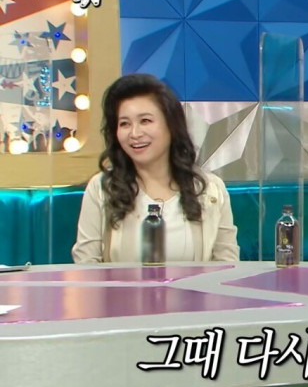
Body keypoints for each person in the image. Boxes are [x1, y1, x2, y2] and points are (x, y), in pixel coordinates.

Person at [72, 74, 239, 263]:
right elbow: (86, 265)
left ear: (171, 125)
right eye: (124, 124)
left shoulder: (210, 189)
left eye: (145, 121)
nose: (135, 133)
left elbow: (227, 265)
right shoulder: (102, 189)